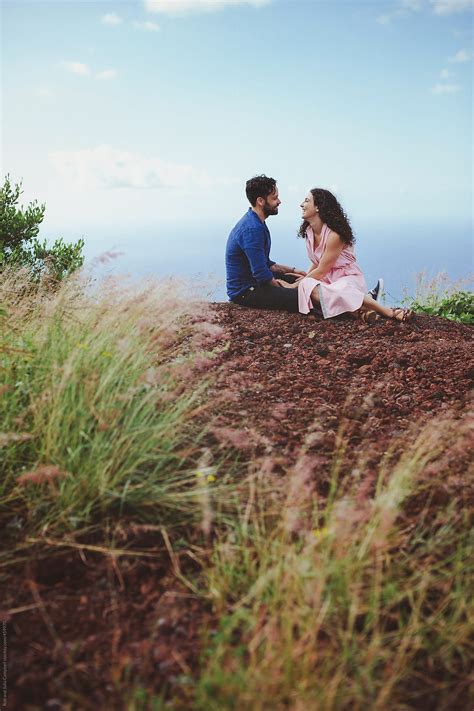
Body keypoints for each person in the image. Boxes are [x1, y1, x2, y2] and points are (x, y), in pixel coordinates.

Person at [276, 188, 413, 322]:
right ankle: (362, 310)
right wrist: (305, 278)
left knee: (336, 290)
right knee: (308, 288)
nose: (301, 204)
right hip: (327, 279)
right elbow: (318, 262)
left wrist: (293, 286)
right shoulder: (309, 231)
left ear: (318, 207)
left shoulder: (334, 235)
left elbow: (322, 269)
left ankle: (388, 312)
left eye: (306, 201)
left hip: (346, 278)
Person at [225, 175, 306, 312]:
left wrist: (294, 271)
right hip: (245, 291)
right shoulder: (252, 228)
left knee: (302, 281)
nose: (279, 201)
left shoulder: (257, 222)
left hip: (255, 282)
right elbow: (261, 273)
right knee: (301, 296)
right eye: (274, 198)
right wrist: (283, 288)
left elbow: (267, 264)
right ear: (260, 201)